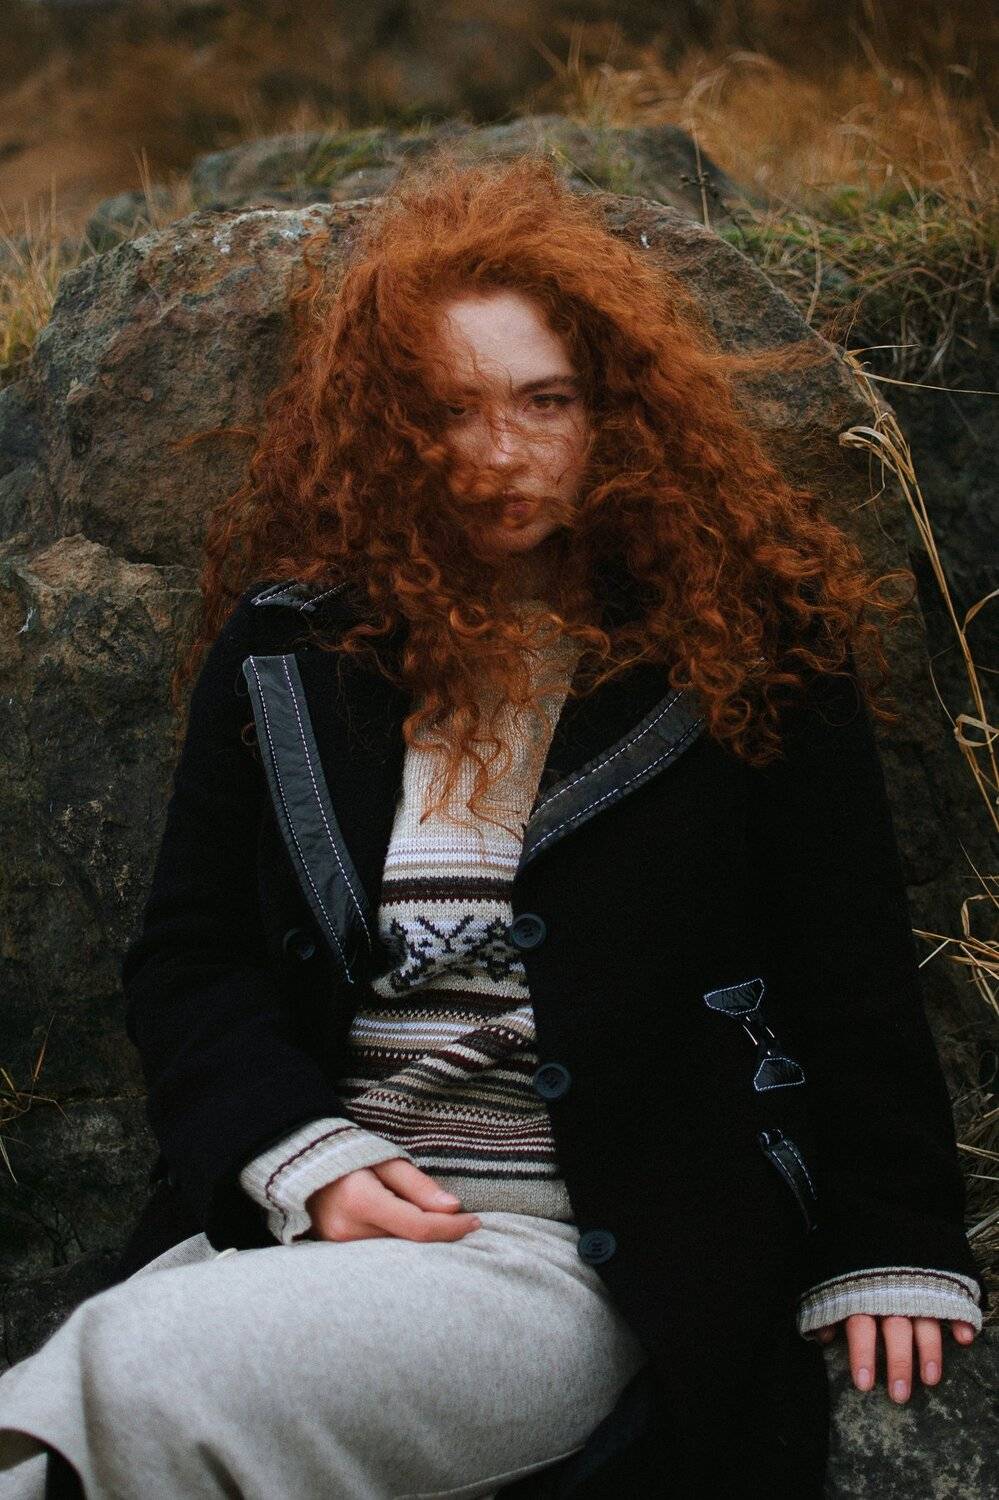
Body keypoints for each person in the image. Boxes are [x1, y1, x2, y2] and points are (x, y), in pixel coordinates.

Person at [0, 150, 986, 1500]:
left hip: (568, 1253)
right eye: (449, 411)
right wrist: (302, 1158)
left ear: (614, 412)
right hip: (302, 1223)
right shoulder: (291, 649)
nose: (501, 453)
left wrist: (896, 1242)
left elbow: (850, 962)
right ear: (386, 429)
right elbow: (192, 956)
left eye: (544, 401)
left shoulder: (749, 646)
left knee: (134, 1371)